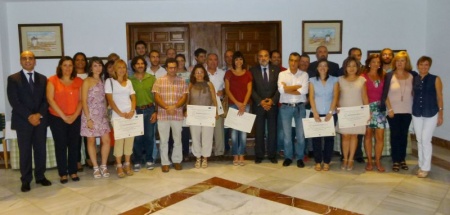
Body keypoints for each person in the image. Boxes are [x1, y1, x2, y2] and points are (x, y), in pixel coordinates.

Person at [7, 51, 52, 192]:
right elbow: (14, 101)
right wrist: (29, 116)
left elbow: (47, 100)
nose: (27, 61)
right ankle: (26, 180)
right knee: (25, 151)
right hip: (23, 121)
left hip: (40, 121)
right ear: (20, 61)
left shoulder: (43, 79)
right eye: (24, 58)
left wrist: (38, 115)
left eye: (30, 58)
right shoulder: (13, 79)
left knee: (40, 150)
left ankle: (40, 176)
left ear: (35, 61)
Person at [47, 56, 83, 183]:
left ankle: (73, 171)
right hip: (57, 118)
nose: (68, 68)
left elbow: (81, 100)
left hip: (75, 117)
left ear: (73, 67)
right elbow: (50, 99)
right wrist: (63, 116)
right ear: (60, 67)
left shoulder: (79, 81)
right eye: (65, 65)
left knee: (74, 145)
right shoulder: (52, 80)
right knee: (61, 145)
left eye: (70, 65)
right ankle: (63, 173)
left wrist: (73, 116)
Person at [381, 51, 417, 172]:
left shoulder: (412, 75)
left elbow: (415, 93)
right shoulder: (389, 75)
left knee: (404, 135)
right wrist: (389, 109)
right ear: (394, 62)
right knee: (395, 135)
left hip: (408, 111)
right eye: (397, 61)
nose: (400, 63)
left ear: (406, 62)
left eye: (402, 61)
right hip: (393, 112)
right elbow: (385, 94)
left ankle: (402, 159)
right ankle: (395, 160)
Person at [153, 58, 188, 172]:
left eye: (174, 67)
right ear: (166, 68)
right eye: (170, 67)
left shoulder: (182, 81)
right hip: (163, 115)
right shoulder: (159, 80)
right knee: (164, 140)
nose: (172, 69)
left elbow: (184, 97)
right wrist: (167, 107)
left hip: (177, 115)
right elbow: (157, 97)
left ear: (177, 68)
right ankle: (165, 162)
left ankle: (177, 161)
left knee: (177, 139)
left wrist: (175, 107)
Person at [412, 56, 443, 178]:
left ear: (429, 66)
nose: (423, 67)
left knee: (425, 139)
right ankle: (421, 164)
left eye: (426, 65)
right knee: (419, 139)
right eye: (421, 64)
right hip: (417, 113)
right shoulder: (414, 79)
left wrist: (441, 113)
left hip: (431, 112)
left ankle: (426, 168)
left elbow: (440, 97)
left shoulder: (435, 79)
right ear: (418, 65)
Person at [80, 57, 111, 178]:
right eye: (95, 65)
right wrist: (88, 118)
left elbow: (104, 99)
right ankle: (95, 167)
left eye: (99, 65)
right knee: (91, 141)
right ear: (91, 68)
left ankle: (103, 165)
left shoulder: (104, 80)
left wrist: (106, 114)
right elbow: (83, 101)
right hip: (90, 115)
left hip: (102, 115)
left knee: (106, 140)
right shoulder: (87, 81)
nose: (98, 68)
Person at [105, 59, 136, 177]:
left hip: (130, 115)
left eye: (124, 67)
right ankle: (118, 165)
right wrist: (120, 113)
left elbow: (133, 97)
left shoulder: (129, 82)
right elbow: (110, 100)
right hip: (117, 115)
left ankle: (127, 163)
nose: (122, 70)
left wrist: (132, 110)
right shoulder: (110, 81)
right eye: (119, 67)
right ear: (114, 69)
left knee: (129, 140)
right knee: (119, 141)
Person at [278, 52, 309, 168]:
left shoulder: (304, 75)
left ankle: (300, 157)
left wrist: (287, 88)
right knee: (287, 135)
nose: (293, 63)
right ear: (289, 61)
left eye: (296, 60)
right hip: (285, 107)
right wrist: (296, 87)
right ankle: (288, 157)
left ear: (299, 62)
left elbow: (304, 91)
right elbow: (281, 90)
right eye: (291, 60)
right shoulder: (282, 74)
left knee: (300, 135)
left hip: (300, 107)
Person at [337, 57, 369, 171]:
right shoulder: (339, 79)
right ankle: (345, 158)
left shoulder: (362, 80)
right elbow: (336, 96)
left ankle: (351, 159)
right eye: (349, 66)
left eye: (354, 66)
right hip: (344, 112)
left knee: (354, 136)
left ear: (358, 68)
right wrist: (337, 106)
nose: (351, 68)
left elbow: (364, 97)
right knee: (345, 136)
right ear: (345, 67)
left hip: (357, 112)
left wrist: (367, 111)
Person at [128, 56, 157, 172]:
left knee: (149, 137)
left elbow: (156, 96)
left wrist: (156, 111)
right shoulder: (129, 80)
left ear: (145, 65)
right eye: (137, 64)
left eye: (142, 63)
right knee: (138, 138)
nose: (140, 65)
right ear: (134, 66)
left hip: (150, 109)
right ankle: (137, 161)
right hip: (136, 111)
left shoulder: (152, 78)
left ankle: (149, 159)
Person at [250, 49, 280, 164]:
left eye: (266, 56)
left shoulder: (276, 70)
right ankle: (259, 155)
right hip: (259, 105)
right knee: (259, 131)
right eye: (261, 56)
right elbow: (251, 89)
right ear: (258, 58)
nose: (263, 58)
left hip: (272, 105)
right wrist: (260, 101)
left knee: (272, 131)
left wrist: (272, 101)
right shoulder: (252, 70)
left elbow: (280, 88)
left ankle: (272, 155)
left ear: (269, 58)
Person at [308, 59, 339, 171]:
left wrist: (330, 112)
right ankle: (317, 161)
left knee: (329, 139)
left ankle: (326, 162)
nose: (322, 67)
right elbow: (311, 97)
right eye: (320, 65)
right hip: (316, 113)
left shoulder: (335, 80)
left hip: (330, 114)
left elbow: (335, 96)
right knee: (316, 139)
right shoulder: (312, 80)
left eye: (325, 65)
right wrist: (315, 112)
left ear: (328, 68)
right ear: (317, 68)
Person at [187, 64, 218, 168]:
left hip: (207, 114)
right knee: (195, 136)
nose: (199, 74)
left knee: (207, 137)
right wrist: (186, 110)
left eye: (201, 72)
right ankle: (197, 157)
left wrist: (216, 111)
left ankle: (205, 158)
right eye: (197, 72)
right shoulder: (191, 84)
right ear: (194, 74)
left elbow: (214, 99)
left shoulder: (209, 84)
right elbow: (187, 99)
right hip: (194, 114)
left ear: (204, 73)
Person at [224, 51, 252, 166]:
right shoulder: (228, 73)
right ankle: (235, 155)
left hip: (246, 105)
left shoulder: (248, 74)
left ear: (243, 61)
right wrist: (237, 103)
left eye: (240, 59)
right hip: (233, 105)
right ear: (233, 61)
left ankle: (242, 155)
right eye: (236, 59)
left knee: (243, 132)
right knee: (234, 133)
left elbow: (249, 90)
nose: (238, 62)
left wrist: (243, 104)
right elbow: (227, 90)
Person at [362, 54, 386, 172]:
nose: (376, 64)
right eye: (374, 61)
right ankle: (369, 162)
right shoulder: (363, 76)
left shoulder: (383, 75)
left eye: (378, 62)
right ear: (369, 63)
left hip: (380, 109)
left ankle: (378, 161)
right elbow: (362, 94)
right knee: (368, 136)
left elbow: (386, 94)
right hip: (367, 108)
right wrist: (367, 109)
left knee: (380, 137)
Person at [205, 53, 226, 157]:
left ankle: (219, 153)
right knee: (206, 131)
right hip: (205, 105)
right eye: (210, 59)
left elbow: (227, 88)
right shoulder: (201, 72)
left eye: (215, 59)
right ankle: (206, 153)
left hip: (218, 104)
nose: (213, 62)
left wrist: (223, 92)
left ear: (218, 61)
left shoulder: (222, 73)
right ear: (206, 61)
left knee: (219, 131)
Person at [73, 52, 89, 171]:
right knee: (77, 137)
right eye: (77, 60)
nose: (80, 62)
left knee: (88, 136)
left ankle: (89, 158)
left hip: (89, 110)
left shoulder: (89, 75)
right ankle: (77, 160)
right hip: (76, 110)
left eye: (82, 60)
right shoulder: (71, 76)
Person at [176, 54, 192, 160]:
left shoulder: (189, 74)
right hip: (175, 106)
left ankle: (186, 152)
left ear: (185, 61)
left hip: (186, 105)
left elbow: (190, 91)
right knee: (176, 131)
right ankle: (176, 152)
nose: (180, 62)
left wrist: (187, 106)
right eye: (178, 61)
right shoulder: (172, 74)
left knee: (185, 131)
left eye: (182, 60)